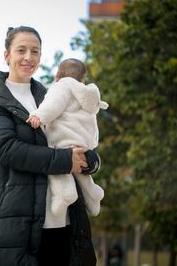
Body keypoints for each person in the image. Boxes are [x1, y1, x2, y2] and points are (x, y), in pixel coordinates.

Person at [0, 26, 100, 266]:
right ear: (7, 55)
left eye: (35, 51)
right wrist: (65, 160)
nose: (28, 57)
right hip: (13, 225)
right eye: (21, 50)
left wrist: (90, 161)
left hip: (64, 224)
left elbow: (78, 134)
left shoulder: (51, 96)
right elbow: (6, 149)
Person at [26, 58, 107, 229]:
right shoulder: (86, 95)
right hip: (83, 143)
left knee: (58, 165)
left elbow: (53, 105)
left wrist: (39, 116)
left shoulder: (61, 87)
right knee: (81, 173)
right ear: (82, 79)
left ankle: (65, 194)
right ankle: (94, 194)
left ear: (57, 75)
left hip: (63, 142)